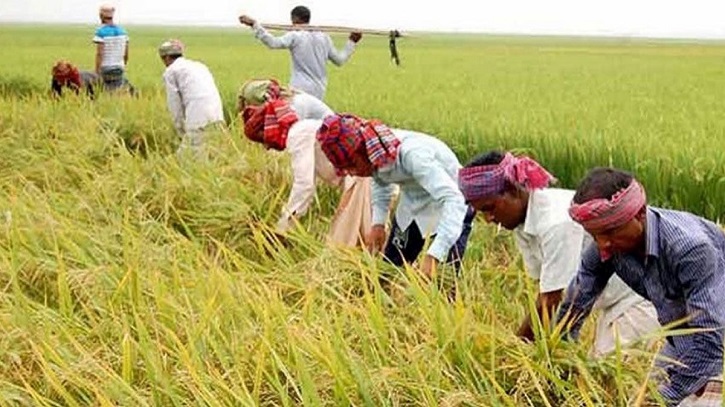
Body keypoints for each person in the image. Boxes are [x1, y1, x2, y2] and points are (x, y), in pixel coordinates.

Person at [458, 151, 659, 356]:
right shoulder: (521, 225)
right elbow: (545, 289)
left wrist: (514, 350)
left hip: (639, 298)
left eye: (490, 208)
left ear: (513, 190)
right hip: (612, 303)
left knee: (605, 372)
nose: (489, 218)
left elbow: (552, 300)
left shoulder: (555, 223)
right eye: (482, 212)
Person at [556, 166, 725, 406]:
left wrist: (659, 400)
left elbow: (710, 343)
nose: (602, 243)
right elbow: (575, 304)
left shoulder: (690, 249)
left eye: (609, 232)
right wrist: (558, 357)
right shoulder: (606, 248)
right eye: (594, 235)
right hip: (680, 338)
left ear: (639, 214)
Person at [315, 113, 475, 281]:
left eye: (352, 165)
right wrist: (378, 223)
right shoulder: (376, 152)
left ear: (362, 151)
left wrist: (434, 255)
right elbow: (380, 180)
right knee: (389, 272)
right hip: (412, 206)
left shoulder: (412, 155)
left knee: (443, 281)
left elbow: (454, 199)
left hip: (451, 207)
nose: (351, 173)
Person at [239, 80, 371, 247]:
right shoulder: (303, 129)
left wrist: (283, 227)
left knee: (346, 244)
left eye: (263, 139)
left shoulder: (298, 133)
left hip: (362, 176)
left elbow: (304, 185)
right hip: (359, 174)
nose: (266, 146)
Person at [238, 5, 362, 101]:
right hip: (319, 90)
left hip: (299, 89)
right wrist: (352, 42)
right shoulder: (324, 37)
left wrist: (255, 25)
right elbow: (339, 60)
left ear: (294, 19)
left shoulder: (295, 35)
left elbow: (273, 43)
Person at [158, 39, 225, 161]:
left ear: (166, 58)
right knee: (212, 155)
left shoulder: (171, 71)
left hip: (198, 120)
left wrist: (181, 132)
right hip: (217, 116)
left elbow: (175, 108)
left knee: (183, 161)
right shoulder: (200, 66)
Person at [93, 4, 134, 94]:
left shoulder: (101, 32)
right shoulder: (123, 32)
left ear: (101, 16)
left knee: (102, 92)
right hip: (119, 68)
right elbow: (126, 55)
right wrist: (122, 64)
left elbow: (100, 54)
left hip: (106, 68)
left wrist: (96, 72)